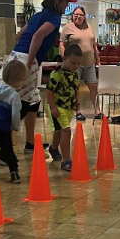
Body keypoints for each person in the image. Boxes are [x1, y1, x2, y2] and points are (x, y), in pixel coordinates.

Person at [0, 0, 77, 157]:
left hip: (17, 56)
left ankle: (30, 143)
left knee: (33, 100)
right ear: (57, 1)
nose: (67, 5)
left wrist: (17, 55)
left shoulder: (38, 15)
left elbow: (20, 35)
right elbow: (38, 35)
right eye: (65, 1)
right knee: (17, 102)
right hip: (26, 60)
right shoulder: (54, 17)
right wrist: (30, 62)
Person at [60, 6, 103, 120]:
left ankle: (97, 111)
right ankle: (78, 111)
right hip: (74, 64)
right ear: (72, 16)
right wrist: (64, 57)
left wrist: (97, 59)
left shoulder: (88, 27)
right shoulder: (68, 28)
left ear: (84, 17)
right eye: (76, 15)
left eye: (80, 15)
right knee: (76, 87)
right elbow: (62, 44)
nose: (78, 17)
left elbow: (93, 45)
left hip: (89, 62)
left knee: (93, 86)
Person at [46, 43, 84, 171]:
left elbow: (76, 89)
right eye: (73, 63)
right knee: (66, 131)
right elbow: (49, 91)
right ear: (64, 58)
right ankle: (66, 160)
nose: (76, 66)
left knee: (59, 131)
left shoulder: (75, 74)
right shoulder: (57, 74)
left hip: (68, 108)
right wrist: (53, 107)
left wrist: (77, 102)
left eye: (79, 64)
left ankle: (54, 148)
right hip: (58, 106)